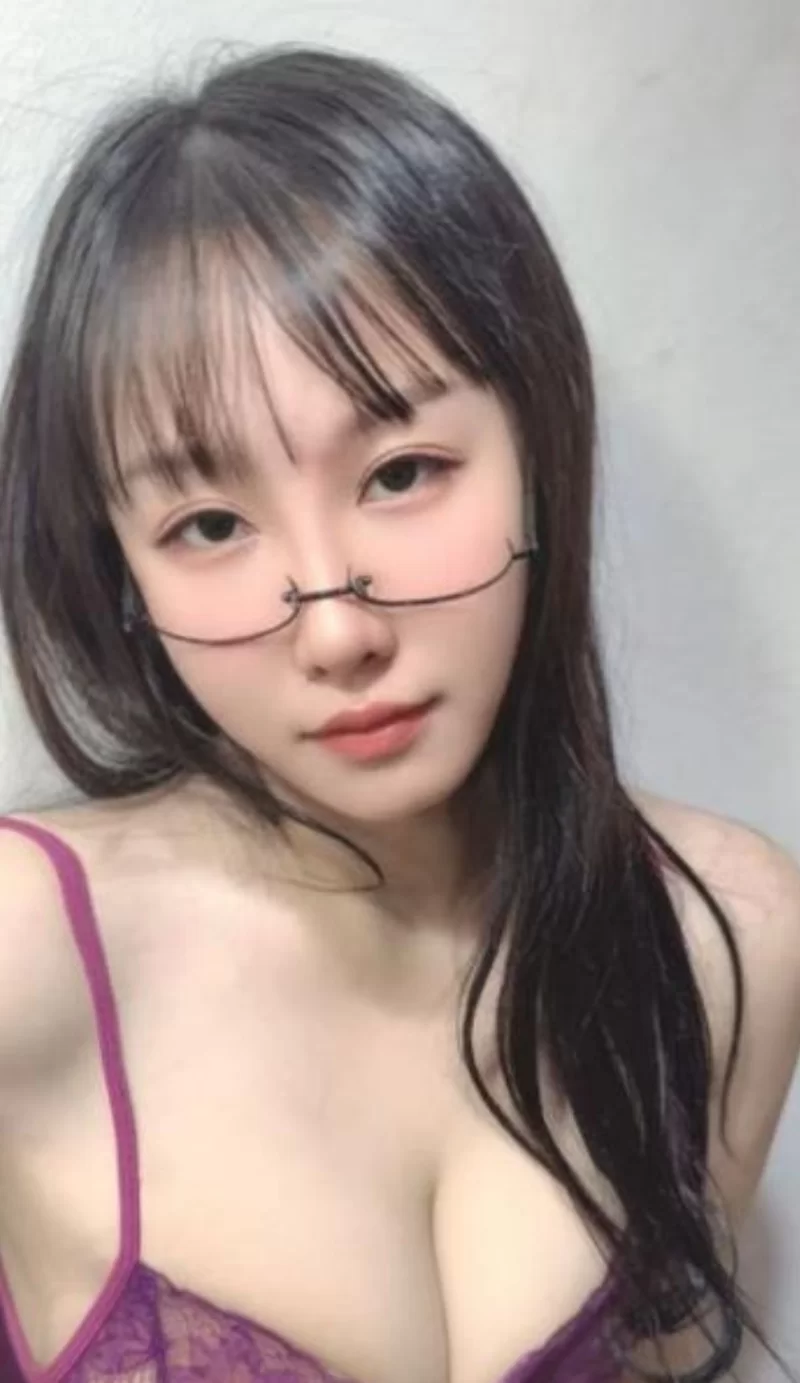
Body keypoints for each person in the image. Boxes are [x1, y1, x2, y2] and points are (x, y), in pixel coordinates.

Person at [0, 44, 797, 1383]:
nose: (337, 630)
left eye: (403, 471)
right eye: (210, 524)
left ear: (537, 448)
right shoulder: (28, 957)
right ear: (120, 569)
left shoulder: (730, 938)